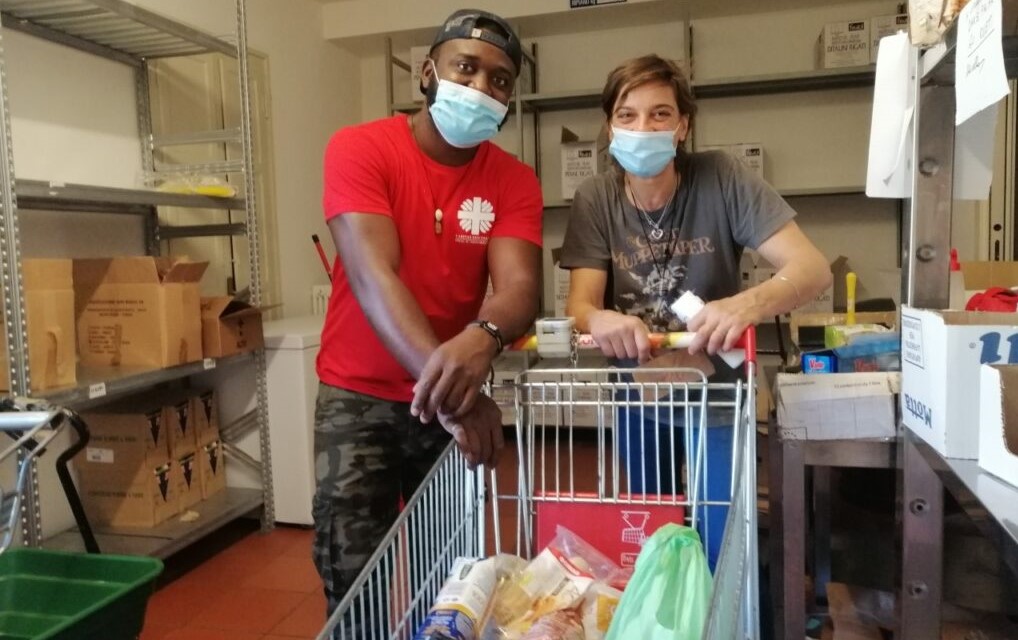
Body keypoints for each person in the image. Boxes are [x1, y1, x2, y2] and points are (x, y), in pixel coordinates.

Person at [314, 9, 543, 617]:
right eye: (465, 67)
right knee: (351, 574)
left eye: (499, 79)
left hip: (450, 398)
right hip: (359, 398)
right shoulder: (359, 148)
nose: (480, 87)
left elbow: (520, 288)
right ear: (426, 73)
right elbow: (373, 276)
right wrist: (456, 399)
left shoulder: (514, 180)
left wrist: (484, 334)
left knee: (448, 574)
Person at [560, 54, 831, 565]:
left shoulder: (720, 177)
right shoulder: (596, 197)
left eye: (660, 114)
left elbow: (812, 268)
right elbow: (580, 304)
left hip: (716, 391)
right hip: (638, 392)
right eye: (627, 115)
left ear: (683, 126)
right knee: (653, 534)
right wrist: (600, 318)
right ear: (610, 127)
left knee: (723, 532)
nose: (643, 128)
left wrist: (747, 303)